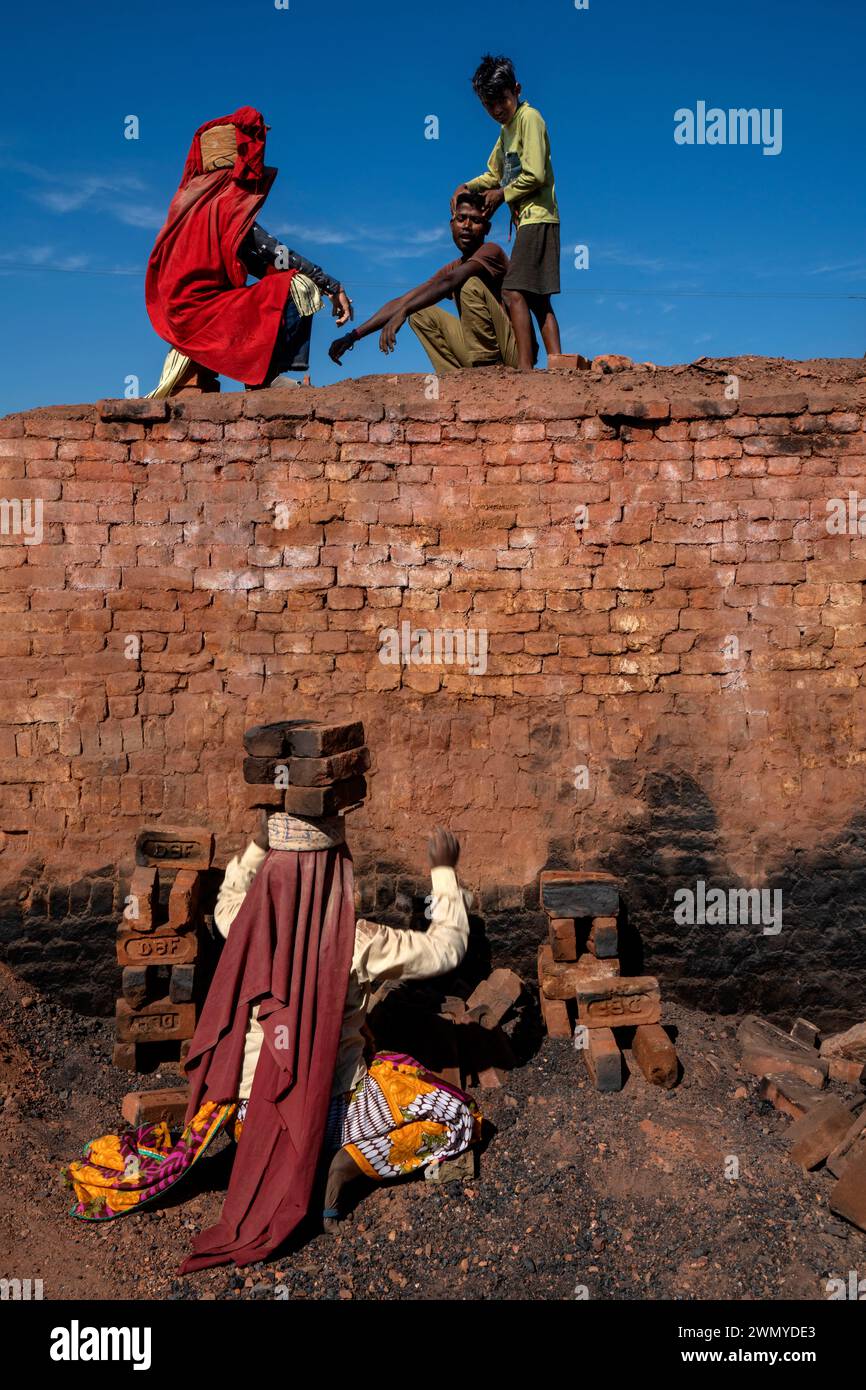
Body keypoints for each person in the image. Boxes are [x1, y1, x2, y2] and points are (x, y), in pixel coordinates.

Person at [62, 812, 481, 1271]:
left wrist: (257, 846)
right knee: (454, 1115)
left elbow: (229, 899)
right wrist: (444, 869)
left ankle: (275, 1155)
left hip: (244, 1118)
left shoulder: (245, 925)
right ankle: (351, 1163)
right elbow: (446, 948)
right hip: (324, 1118)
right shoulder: (359, 942)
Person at [145, 106, 353, 395]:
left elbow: (250, 258)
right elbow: (275, 253)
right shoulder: (226, 206)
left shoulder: (186, 207)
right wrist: (329, 284)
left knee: (282, 279)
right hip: (202, 314)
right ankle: (267, 379)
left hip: (178, 316)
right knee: (299, 284)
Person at [329, 189, 518, 373]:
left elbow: (450, 282)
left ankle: (489, 371)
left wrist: (405, 310)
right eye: (461, 219)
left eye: (476, 220)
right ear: (451, 224)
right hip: (478, 353)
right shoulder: (454, 266)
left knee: (468, 284)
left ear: (487, 228)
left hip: (510, 350)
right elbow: (405, 300)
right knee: (421, 311)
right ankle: (456, 380)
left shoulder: (491, 251)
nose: (467, 225)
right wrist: (353, 336)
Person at [453, 55, 562, 372]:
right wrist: (464, 187)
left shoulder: (530, 119)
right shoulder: (505, 133)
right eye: (489, 105)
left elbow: (536, 173)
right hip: (527, 221)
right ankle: (560, 368)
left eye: (502, 100)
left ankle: (525, 369)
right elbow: (493, 174)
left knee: (513, 290)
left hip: (538, 218)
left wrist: (503, 195)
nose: (497, 109)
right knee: (539, 299)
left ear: (517, 89)